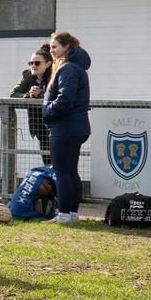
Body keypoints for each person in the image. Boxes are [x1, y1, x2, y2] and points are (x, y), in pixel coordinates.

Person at [41, 31, 91, 225]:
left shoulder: (68, 69)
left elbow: (65, 100)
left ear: (67, 47)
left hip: (65, 128)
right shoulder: (74, 67)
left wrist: (46, 111)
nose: (51, 51)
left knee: (62, 172)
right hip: (75, 128)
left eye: (55, 47)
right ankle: (71, 214)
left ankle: (63, 215)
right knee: (70, 172)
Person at [10, 43, 53, 166]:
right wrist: (28, 95)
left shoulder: (56, 75)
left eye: (37, 63)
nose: (33, 66)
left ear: (48, 63)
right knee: (47, 160)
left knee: (60, 163)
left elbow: (60, 96)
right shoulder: (28, 75)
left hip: (55, 125)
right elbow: (13, 94)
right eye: (31, 63)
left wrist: (42, 94)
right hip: (39, 125)